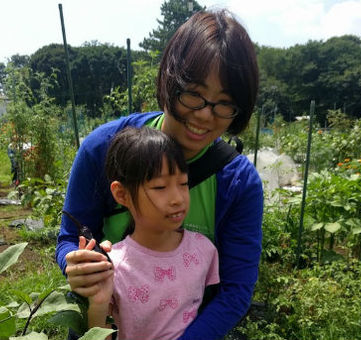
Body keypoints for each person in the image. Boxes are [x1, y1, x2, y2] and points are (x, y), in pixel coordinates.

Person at [56, 9, 263, 340]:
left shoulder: (237, 182)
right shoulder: (103, 149)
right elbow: (70, 236)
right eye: (194, 93)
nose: (205, 116)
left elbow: (235, 292)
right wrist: (75, 264)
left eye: (224, 103)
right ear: (170, 80)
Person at [84, 126, 220, 340]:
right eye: (160, 187)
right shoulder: (113, 267)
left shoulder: (203, 250)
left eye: (183, 184)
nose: (178, 198)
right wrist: (99, 305)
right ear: (122, 194)